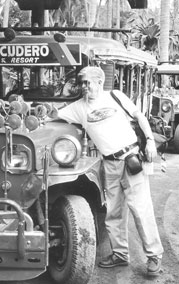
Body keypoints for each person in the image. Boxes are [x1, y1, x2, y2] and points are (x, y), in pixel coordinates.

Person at [58, 66, 164, 277]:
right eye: (82, 83)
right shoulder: (78, 108)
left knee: (140, 209)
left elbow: (140, 117)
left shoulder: (115, 96)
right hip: (109, 164)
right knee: (114, 212)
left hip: (131, 159)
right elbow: (54, 114)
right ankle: (120, 254)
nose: (85, 87)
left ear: (99, 82)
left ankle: (154, 256)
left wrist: (150, 141)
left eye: (89, 82)